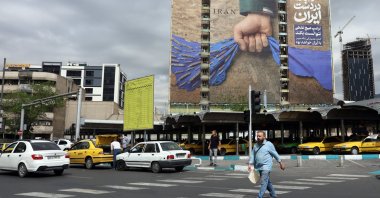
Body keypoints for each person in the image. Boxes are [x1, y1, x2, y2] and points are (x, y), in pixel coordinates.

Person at [248, 131, 285, 198]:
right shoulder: (256, 145)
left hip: (266, 166)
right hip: (259, 167)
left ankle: (260, 196)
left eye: (260, 136)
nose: (258, 137)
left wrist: (280, 162)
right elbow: (252, 155)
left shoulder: (269, 144)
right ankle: (273, 195)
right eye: (257, 136)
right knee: (267, 182)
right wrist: (250, 164)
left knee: (264, 182)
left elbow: (275, 153)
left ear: (264, 137)